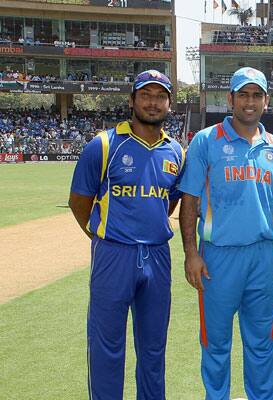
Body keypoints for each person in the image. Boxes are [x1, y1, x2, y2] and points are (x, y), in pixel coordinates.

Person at [68, 69, 184, 400]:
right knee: (107, 348)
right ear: (132, 100)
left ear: (169, 104)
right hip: (113, 255)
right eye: (145, 95)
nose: (153, 102)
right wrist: (103, 236)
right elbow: (79, 202)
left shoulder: (176, 152)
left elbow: (170, 200)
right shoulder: (103, 145)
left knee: (153, 349)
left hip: (158, 257)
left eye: (160, 96)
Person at [178, 67, 273, 400]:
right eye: (243, 94)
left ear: (266, 101)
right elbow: (189, 201)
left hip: (262, 257)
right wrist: (191, 254)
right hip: (218, 258)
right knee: (216, 344)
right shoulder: (206, 141)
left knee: (263, 343)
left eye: (257, 95)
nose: (250, 102)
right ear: (230, 99)